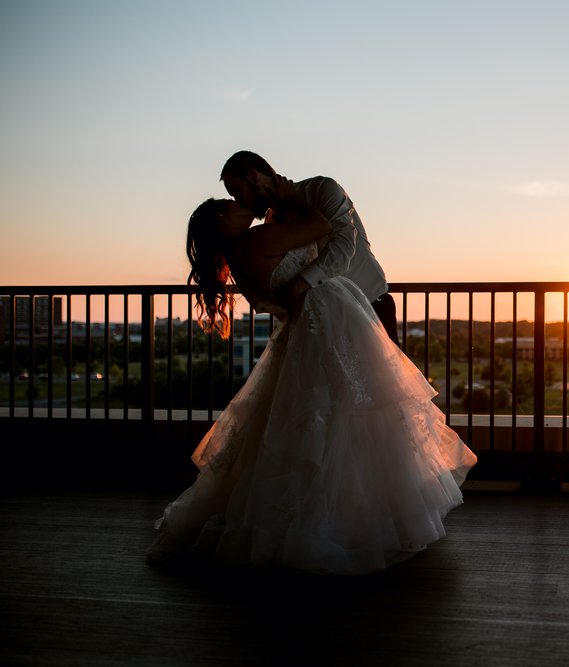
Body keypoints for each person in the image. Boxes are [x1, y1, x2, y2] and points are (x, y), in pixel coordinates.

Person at [147, 180, 476, 575]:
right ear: (222, 219)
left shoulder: (240, 255)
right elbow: (322, 227)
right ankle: (355, 518)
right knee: (354, 416)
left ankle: (331, 514)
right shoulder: (255, 241)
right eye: (230, 203)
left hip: (312, 328)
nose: (239, 203)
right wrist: (287, 198)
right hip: (333, 321)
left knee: (322, 423)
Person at [220, 150, 401, 346]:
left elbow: (345, 246)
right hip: (328, 325)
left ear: (253, 177)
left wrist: (299, 284)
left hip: (371, 305)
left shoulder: (322, 189)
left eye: (237, 192)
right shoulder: (271, 224)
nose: (239, 202)